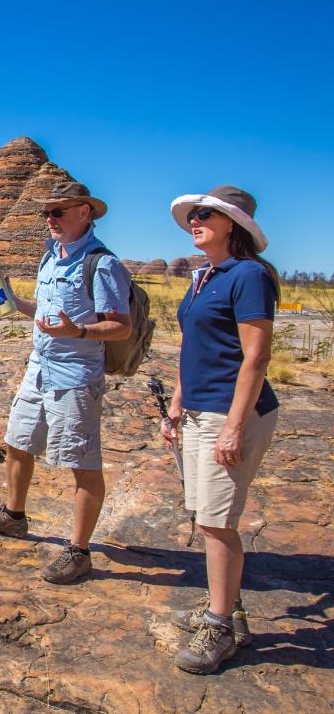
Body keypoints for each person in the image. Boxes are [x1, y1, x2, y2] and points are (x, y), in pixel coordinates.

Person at [0, 182, 133, 584]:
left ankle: (79, 552)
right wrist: (12, 298)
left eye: (58, 212)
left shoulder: (102, 264)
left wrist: (77, 332)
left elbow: (120, 327)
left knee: (81, 461)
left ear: (85, 212)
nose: (50, 219)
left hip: (75, 376)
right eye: (47, 213)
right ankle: (13, 516)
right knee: (17, 441)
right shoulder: (50, 256)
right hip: (39, 367)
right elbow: (43, 313)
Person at [163, 186, 279, 675]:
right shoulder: (201, 276)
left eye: (207, 214)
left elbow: (256, 356)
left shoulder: (249, 275)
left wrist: (233, 426)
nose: (196, 219)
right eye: (193, 214)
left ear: (234, 224)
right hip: (197, 411)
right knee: (204, 512)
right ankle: (226, 606)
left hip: (231, 413)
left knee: (216, 521)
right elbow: (193, 348)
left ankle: (221, 624)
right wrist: (175, 405)